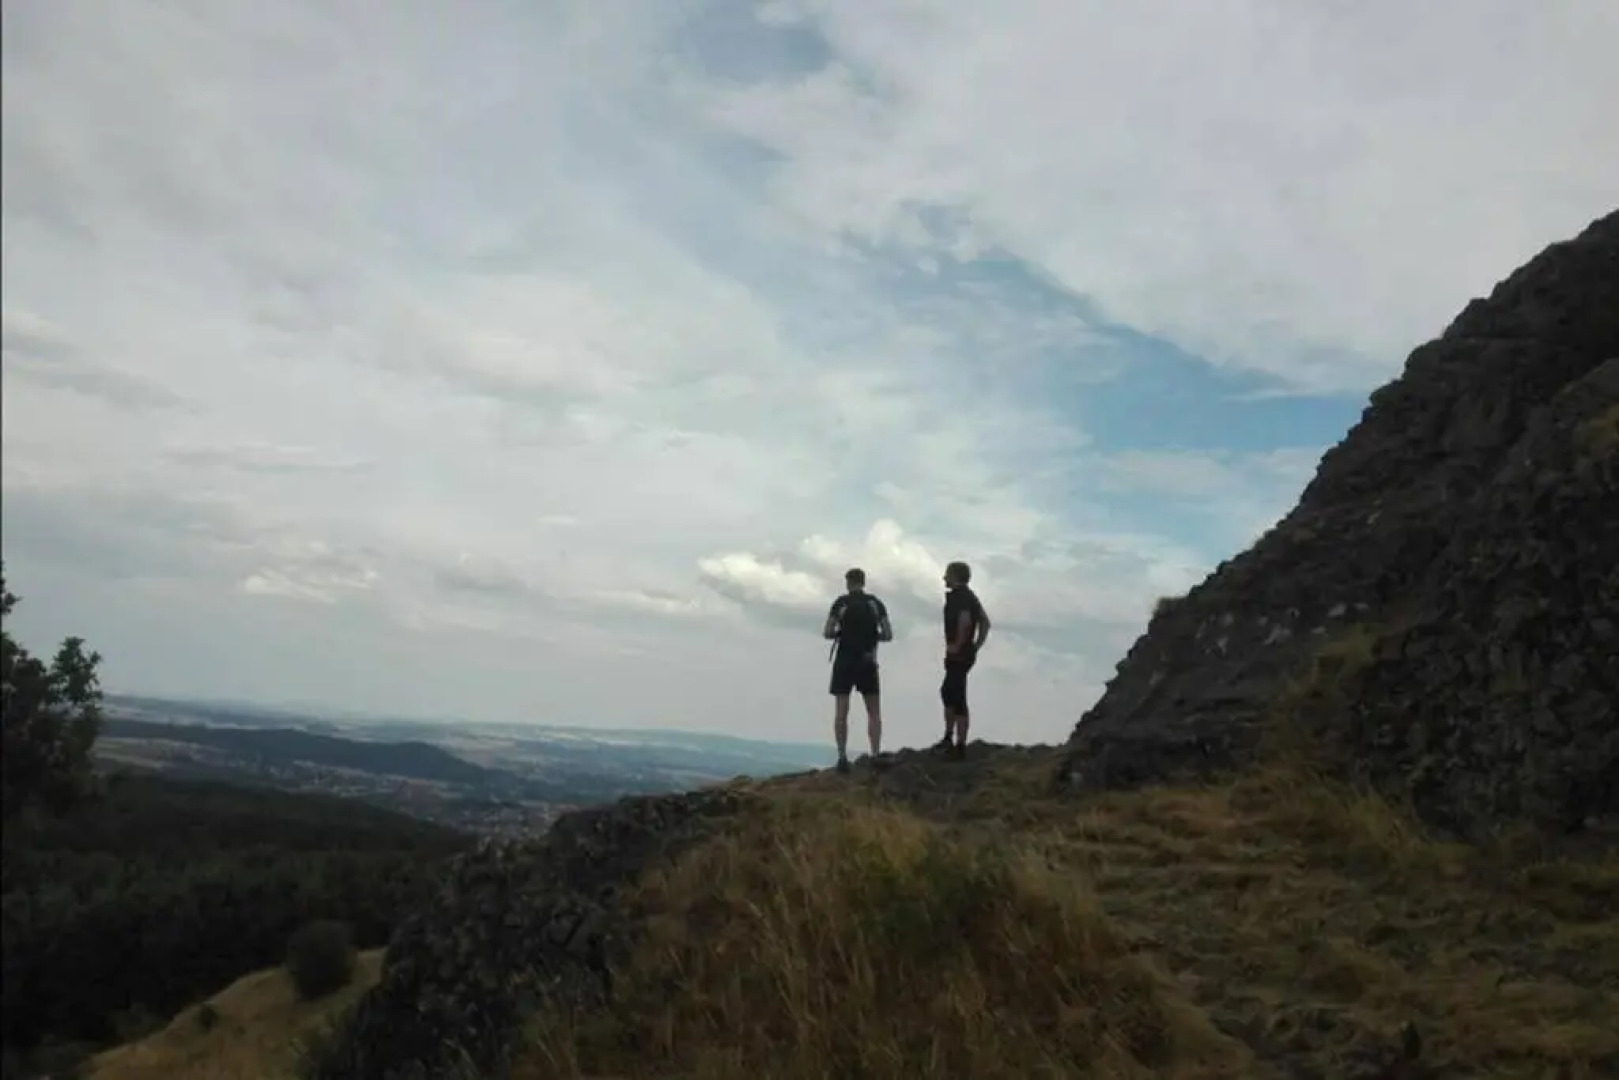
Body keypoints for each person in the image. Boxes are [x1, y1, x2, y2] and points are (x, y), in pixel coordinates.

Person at [822, 567, 893, 773]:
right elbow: (888, 634)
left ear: (848, 582)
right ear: (863, 581)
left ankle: (842, 756)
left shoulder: (841, 603)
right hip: (868, 661)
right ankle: (875, 753)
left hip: (844, 660)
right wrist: (871, 638)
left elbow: (827, 631)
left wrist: (842, 634)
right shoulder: (875, 603)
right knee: (873, 711)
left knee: (841, 711)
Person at [937, 560, 990, 760]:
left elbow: (966, 621)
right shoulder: (970, 597)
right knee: (951, 692)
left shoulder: (961, 597)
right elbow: (985, 622)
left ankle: (957, 743)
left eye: (947, 574)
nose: (944, 578)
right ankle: (952, 738)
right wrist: (977, 644)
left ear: (955, 576)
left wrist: (959, 645)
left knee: (955, 694)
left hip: (959, 654)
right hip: (964, 653)